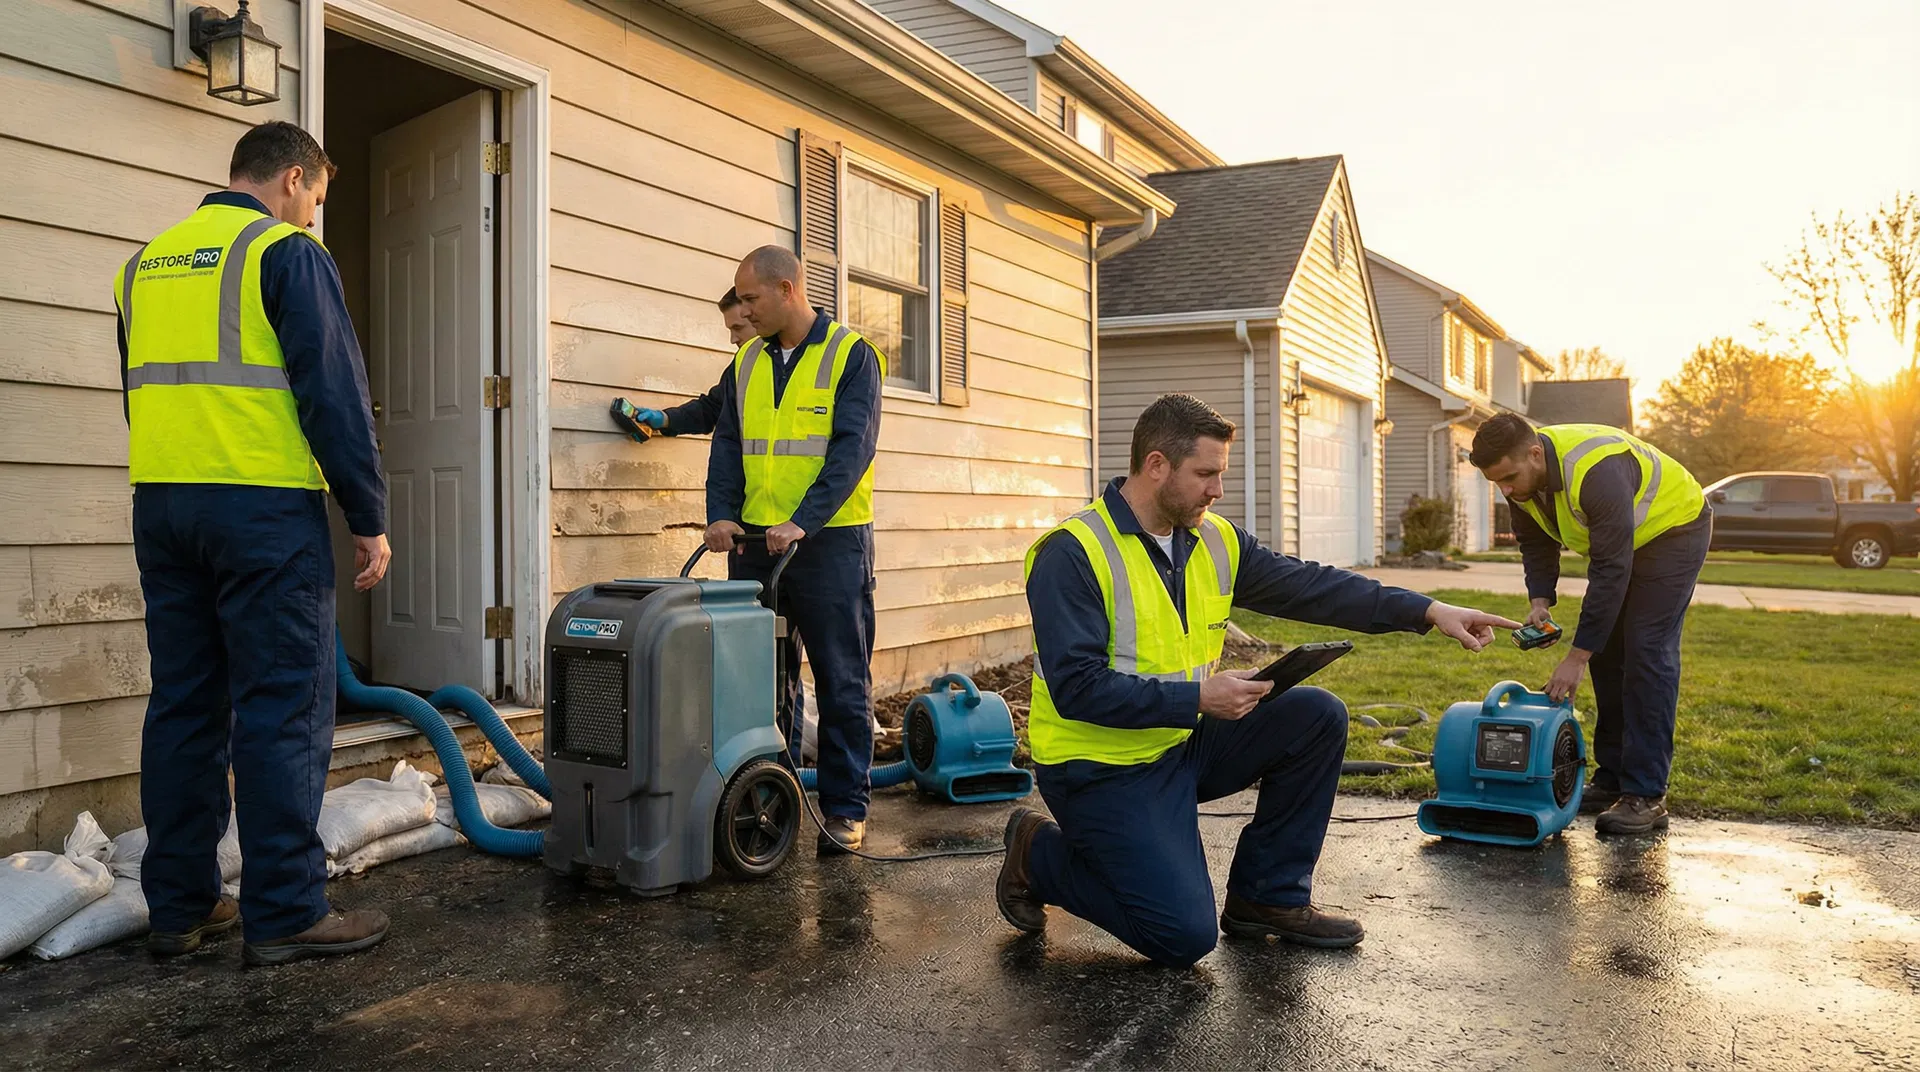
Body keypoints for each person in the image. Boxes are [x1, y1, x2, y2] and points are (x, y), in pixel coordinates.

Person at [996, 394, 1519, 967]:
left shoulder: (1213, 539)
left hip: (1182, 741)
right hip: (1100, 768)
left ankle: (1266, 898)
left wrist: (1427, 611)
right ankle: (1035, 853)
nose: (1218, 489)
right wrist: (1199, 696)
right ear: (1155, 466)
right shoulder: (1072, 554)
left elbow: (1313, 587)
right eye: (1206, 474)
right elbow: (1078, 689)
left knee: (1315, 715)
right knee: (1181, 937)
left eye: (1221, 473)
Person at [114, 121, 392, 966]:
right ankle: (284, 912)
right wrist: (366, 513)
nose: (312, 215)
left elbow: (142, 393)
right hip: (262, 510)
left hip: (164, 506)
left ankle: (182, 908)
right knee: (281, 707)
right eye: (315, 198)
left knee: (185, 706)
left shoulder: (143, 266)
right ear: (293, 178)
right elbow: (334, 395)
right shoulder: (283, 253)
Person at [702, 247, 884, 852]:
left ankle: (844, 809)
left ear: (787, 289)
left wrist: (804, 521)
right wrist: (721, 514)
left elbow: (850, 451)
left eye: (751, 299)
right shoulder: (747, 362)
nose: (744, 310)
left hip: (829, 546)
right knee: (761, 682)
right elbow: (728, 443)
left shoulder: (851, 356)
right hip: (754, 547)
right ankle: (770, 799)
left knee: (841, 679)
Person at [1469, 413, 1709, 835]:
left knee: (1646, 651)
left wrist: (1575, 657)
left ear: (1535, 453)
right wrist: (1539, 601)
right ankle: (1613, 778)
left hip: (1674, 531)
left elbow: (1610, 570)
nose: (1505, 490)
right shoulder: (1520, 478)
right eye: (1497, 483)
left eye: (1508, 478)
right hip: (1625, 545)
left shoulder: (1597, 469)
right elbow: (1536, 541)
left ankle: (1646, 795)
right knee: (1608, 656)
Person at [623, 288, 755, 438]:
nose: (733, 339)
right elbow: (713, 408)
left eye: (738, 328)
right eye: (730, 330)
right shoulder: (744, 363)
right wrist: (666, 419)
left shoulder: (784, 362)